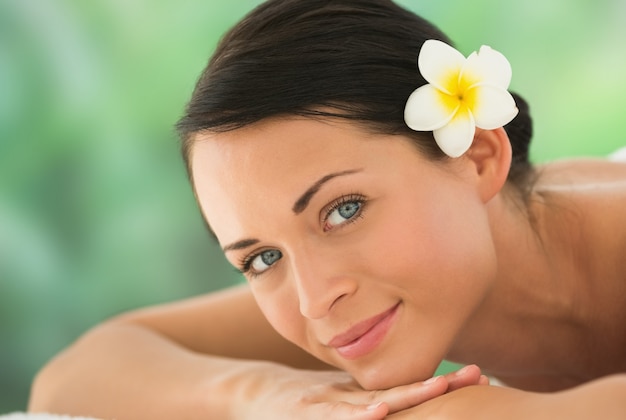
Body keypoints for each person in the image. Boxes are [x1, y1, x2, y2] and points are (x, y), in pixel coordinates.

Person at [29, 0, 626, 418]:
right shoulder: (346, 291)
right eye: (263, 257)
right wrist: (264, 397)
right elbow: (73, 377)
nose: (315, 299)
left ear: (476, 155)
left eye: (343, 210)